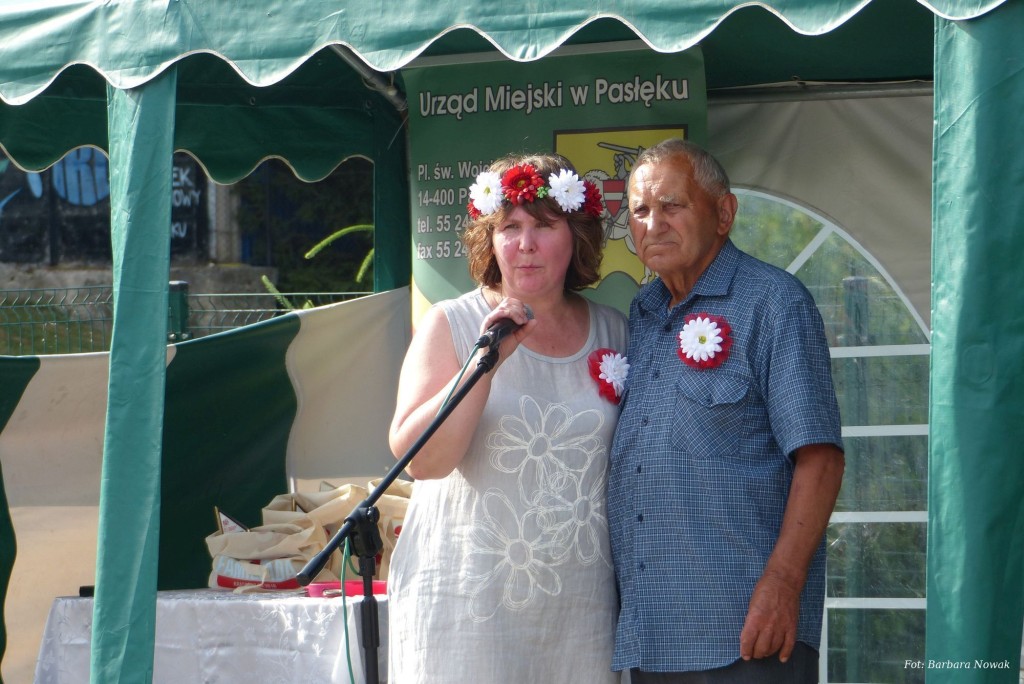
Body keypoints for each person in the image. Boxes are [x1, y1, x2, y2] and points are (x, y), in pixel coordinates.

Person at [607, 138, 845, 683]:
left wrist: (783, 584)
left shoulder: (774, 302)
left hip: (744, 634)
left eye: (672, 205)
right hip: (652, 639)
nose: (653, 224)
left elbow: (821, 460)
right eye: (639, 210)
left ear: (724, 213)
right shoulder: (642, 314)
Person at [387, 152, 630, 683]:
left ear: (577, 237)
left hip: (579, 616)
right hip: (468, 609)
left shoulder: (615, 331)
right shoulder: (452, 323)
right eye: (510, 228)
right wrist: (487, 361)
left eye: (545, 226)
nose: (526, 243)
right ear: (490, 240)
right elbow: (422, 462)